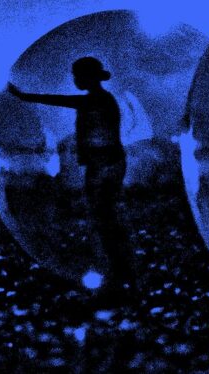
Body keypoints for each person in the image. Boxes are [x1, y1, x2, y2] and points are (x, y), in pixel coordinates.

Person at [8, 56, 135, 293]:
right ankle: (119, 269)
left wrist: (23, 96)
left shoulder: (97, 100)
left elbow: (64, 103)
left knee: (104, 218)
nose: (75, 79)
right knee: (104, 217)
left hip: (104, 165)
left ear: (88, 77)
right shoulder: (99, 99)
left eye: (77, 75)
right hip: (105, 164)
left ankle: (120, 272)